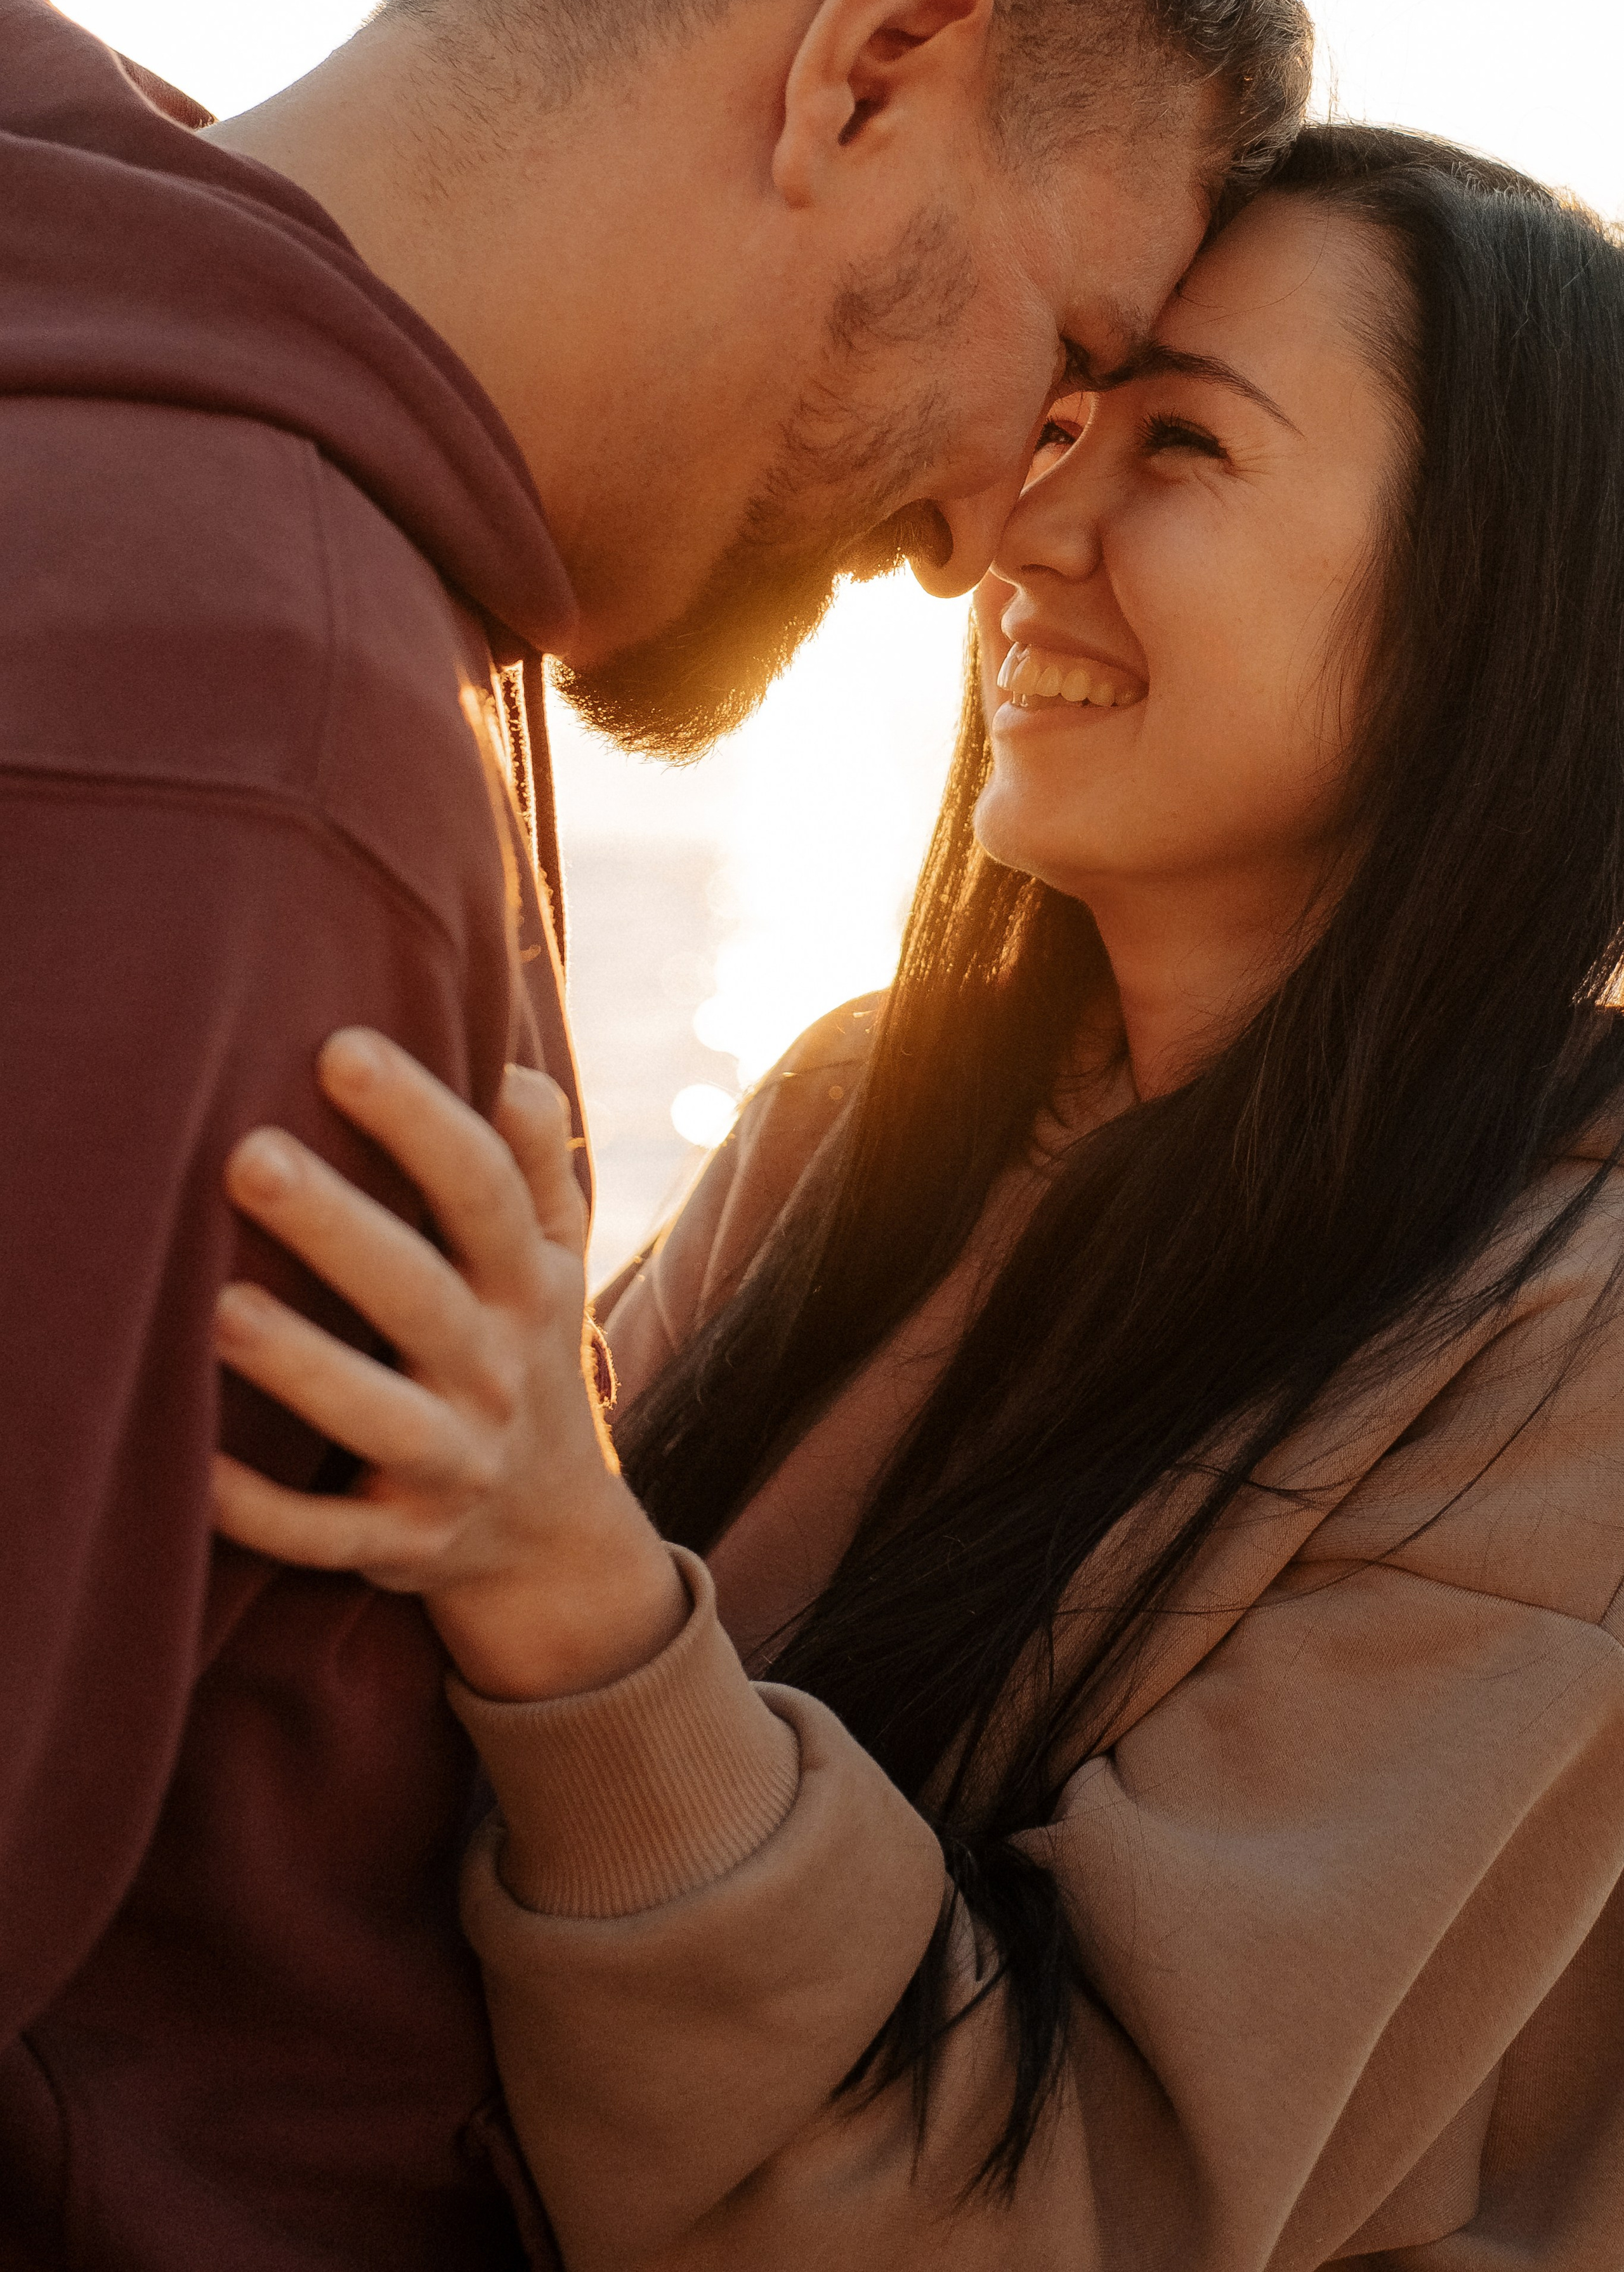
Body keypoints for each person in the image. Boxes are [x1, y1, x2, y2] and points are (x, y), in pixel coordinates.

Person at [0, 0, 1310, 2263]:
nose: (981, 543)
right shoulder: (251, 709)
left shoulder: (152, 434)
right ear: (878, 64)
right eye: (1072, 355)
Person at [216, 125, 1624, 2269]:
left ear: (1488, 605)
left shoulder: (1570, 1352)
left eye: (1181, 445)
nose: (1022, 532)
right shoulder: (854, 1121)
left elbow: (1043, 2216)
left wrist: (572, 1585)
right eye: (1061, 421)